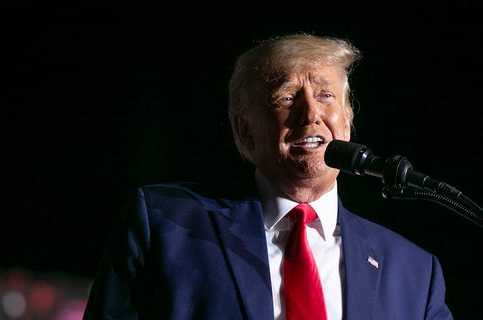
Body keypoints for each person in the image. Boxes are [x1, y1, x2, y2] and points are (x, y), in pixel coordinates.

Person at [83, 33, 454, 319]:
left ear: (347, 122)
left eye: (326, 96)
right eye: (287, 98)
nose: (311, 113)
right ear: (244, 131)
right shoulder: (165, 226)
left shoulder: (414, 273)